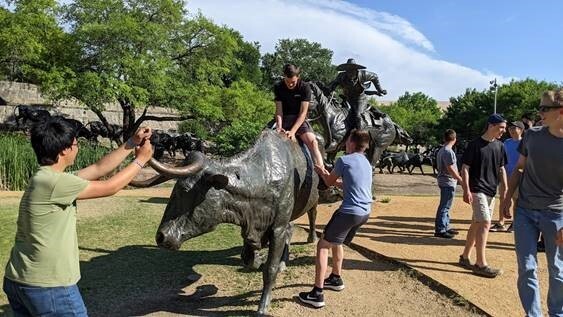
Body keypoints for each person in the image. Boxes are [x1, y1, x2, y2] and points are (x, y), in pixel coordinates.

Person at [3, 116, 154, 316]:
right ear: (65, 149)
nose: (78, 147)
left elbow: (98, 169)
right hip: (49, 286)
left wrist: (131, 143)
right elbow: (111, 186)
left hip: (20, 279)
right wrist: (141, 160)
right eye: (76, 143)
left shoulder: (45, 177)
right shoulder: (56, 183)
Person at [501, 88, 563, 317]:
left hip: (556, 214)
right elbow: (518, 168)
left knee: (558, 270)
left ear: (561, 111)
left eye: (544, 108)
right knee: (527, 268)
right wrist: (507, 198)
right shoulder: (532, 135)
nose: (539, 112)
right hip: (525, 212)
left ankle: (557, 313)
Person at [298, 129, 372, 308]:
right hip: (365, 212)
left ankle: (317, 293)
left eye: (347, 141)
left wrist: (322, 172)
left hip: (349, 212)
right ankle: (336, 278)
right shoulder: (366, 163)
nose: (345, 144)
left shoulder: (344, 160)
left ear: (353, 143)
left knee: (323, 245)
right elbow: (348, 184)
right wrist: (329, 175)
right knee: (336, 241)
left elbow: (329, 183)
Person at [458, 113, 508, 278]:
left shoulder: (500, 146)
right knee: (485, 222)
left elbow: (501, 168)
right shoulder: (474, 145)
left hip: (491, 191)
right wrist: (466, 189)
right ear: (491, 125)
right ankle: (481, 264)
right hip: (477, 189)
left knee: (476, 223)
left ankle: (465, 257)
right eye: (501, 128)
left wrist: (505, 187)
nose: (503, 131)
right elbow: (465, 168)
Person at [274, 63, 327, 173]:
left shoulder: (304, 87)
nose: (290, 84)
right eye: (287, 82)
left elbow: (303, 113)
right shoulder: (278, 87)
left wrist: (292, 132)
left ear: (298, 77)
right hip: (284, 118)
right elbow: (279, 111)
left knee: (313, 142)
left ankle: (322, 173)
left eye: (293, 82)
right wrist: (279, 127)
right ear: (284, 76)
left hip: (299, 120)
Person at [326, 58, 387, 131]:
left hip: (360, 99)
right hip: (347, 99)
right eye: (348, 70)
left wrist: (379, 89)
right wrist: (328, 90)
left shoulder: (364, 74)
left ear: (356, 70)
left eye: (352, 70)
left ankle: (360, 134)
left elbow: (375, 77)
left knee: (358, 116)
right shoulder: (341, 76)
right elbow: (333, 85)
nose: (349, 73)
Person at [490, 120, 524, 233]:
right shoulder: (506, 143)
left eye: (514, 128)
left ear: (521, 130)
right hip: (504, 176)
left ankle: (515, 223)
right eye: (510, 128)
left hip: (518, 177)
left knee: (516, 201)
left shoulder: (524, 143)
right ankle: (501, 222)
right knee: (503, 199)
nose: (511, 130)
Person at [434, 129, 464, 239]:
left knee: (447, 205)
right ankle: (440, 229)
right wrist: (459, 178)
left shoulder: (442, 150)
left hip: (445, 180)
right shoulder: (448, 151)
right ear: (454, 139)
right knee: (445, 206)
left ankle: (445, 226)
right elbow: (450, 168)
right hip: (447, 181)